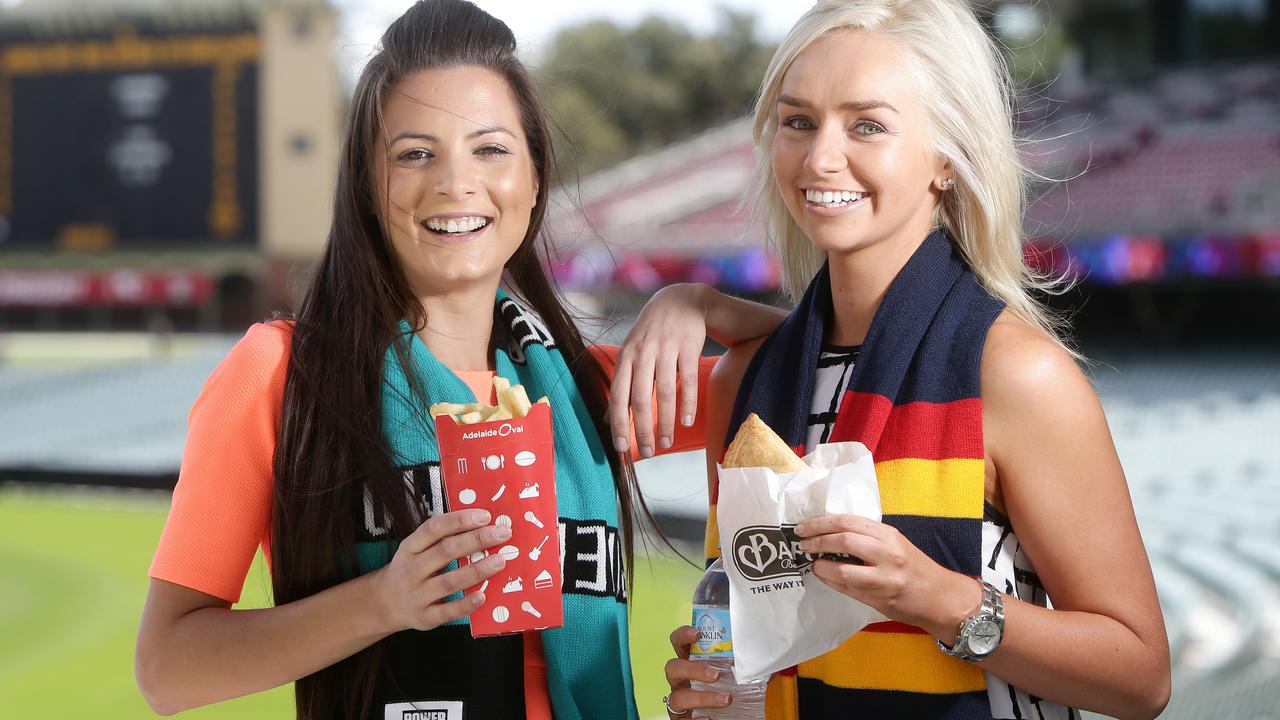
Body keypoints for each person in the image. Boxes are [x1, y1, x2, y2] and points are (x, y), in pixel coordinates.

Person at [134, 2, 782, 719]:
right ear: (370, 191)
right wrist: (383, 602)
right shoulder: (282, 375)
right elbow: (168, 669)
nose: (454, 182)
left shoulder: (596, 388)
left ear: (534, 180)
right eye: (415, 153)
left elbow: (829, 367)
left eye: (491, 149)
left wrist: (700, 305)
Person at [653, 1, 1171, 719]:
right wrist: (710, 685)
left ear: (948, 159)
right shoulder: (743, 381)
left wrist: (938, 598)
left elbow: (1141, 679)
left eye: (867, 125)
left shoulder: (1014, 373)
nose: (819, 157)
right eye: (798, 121)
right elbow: (737, 629)